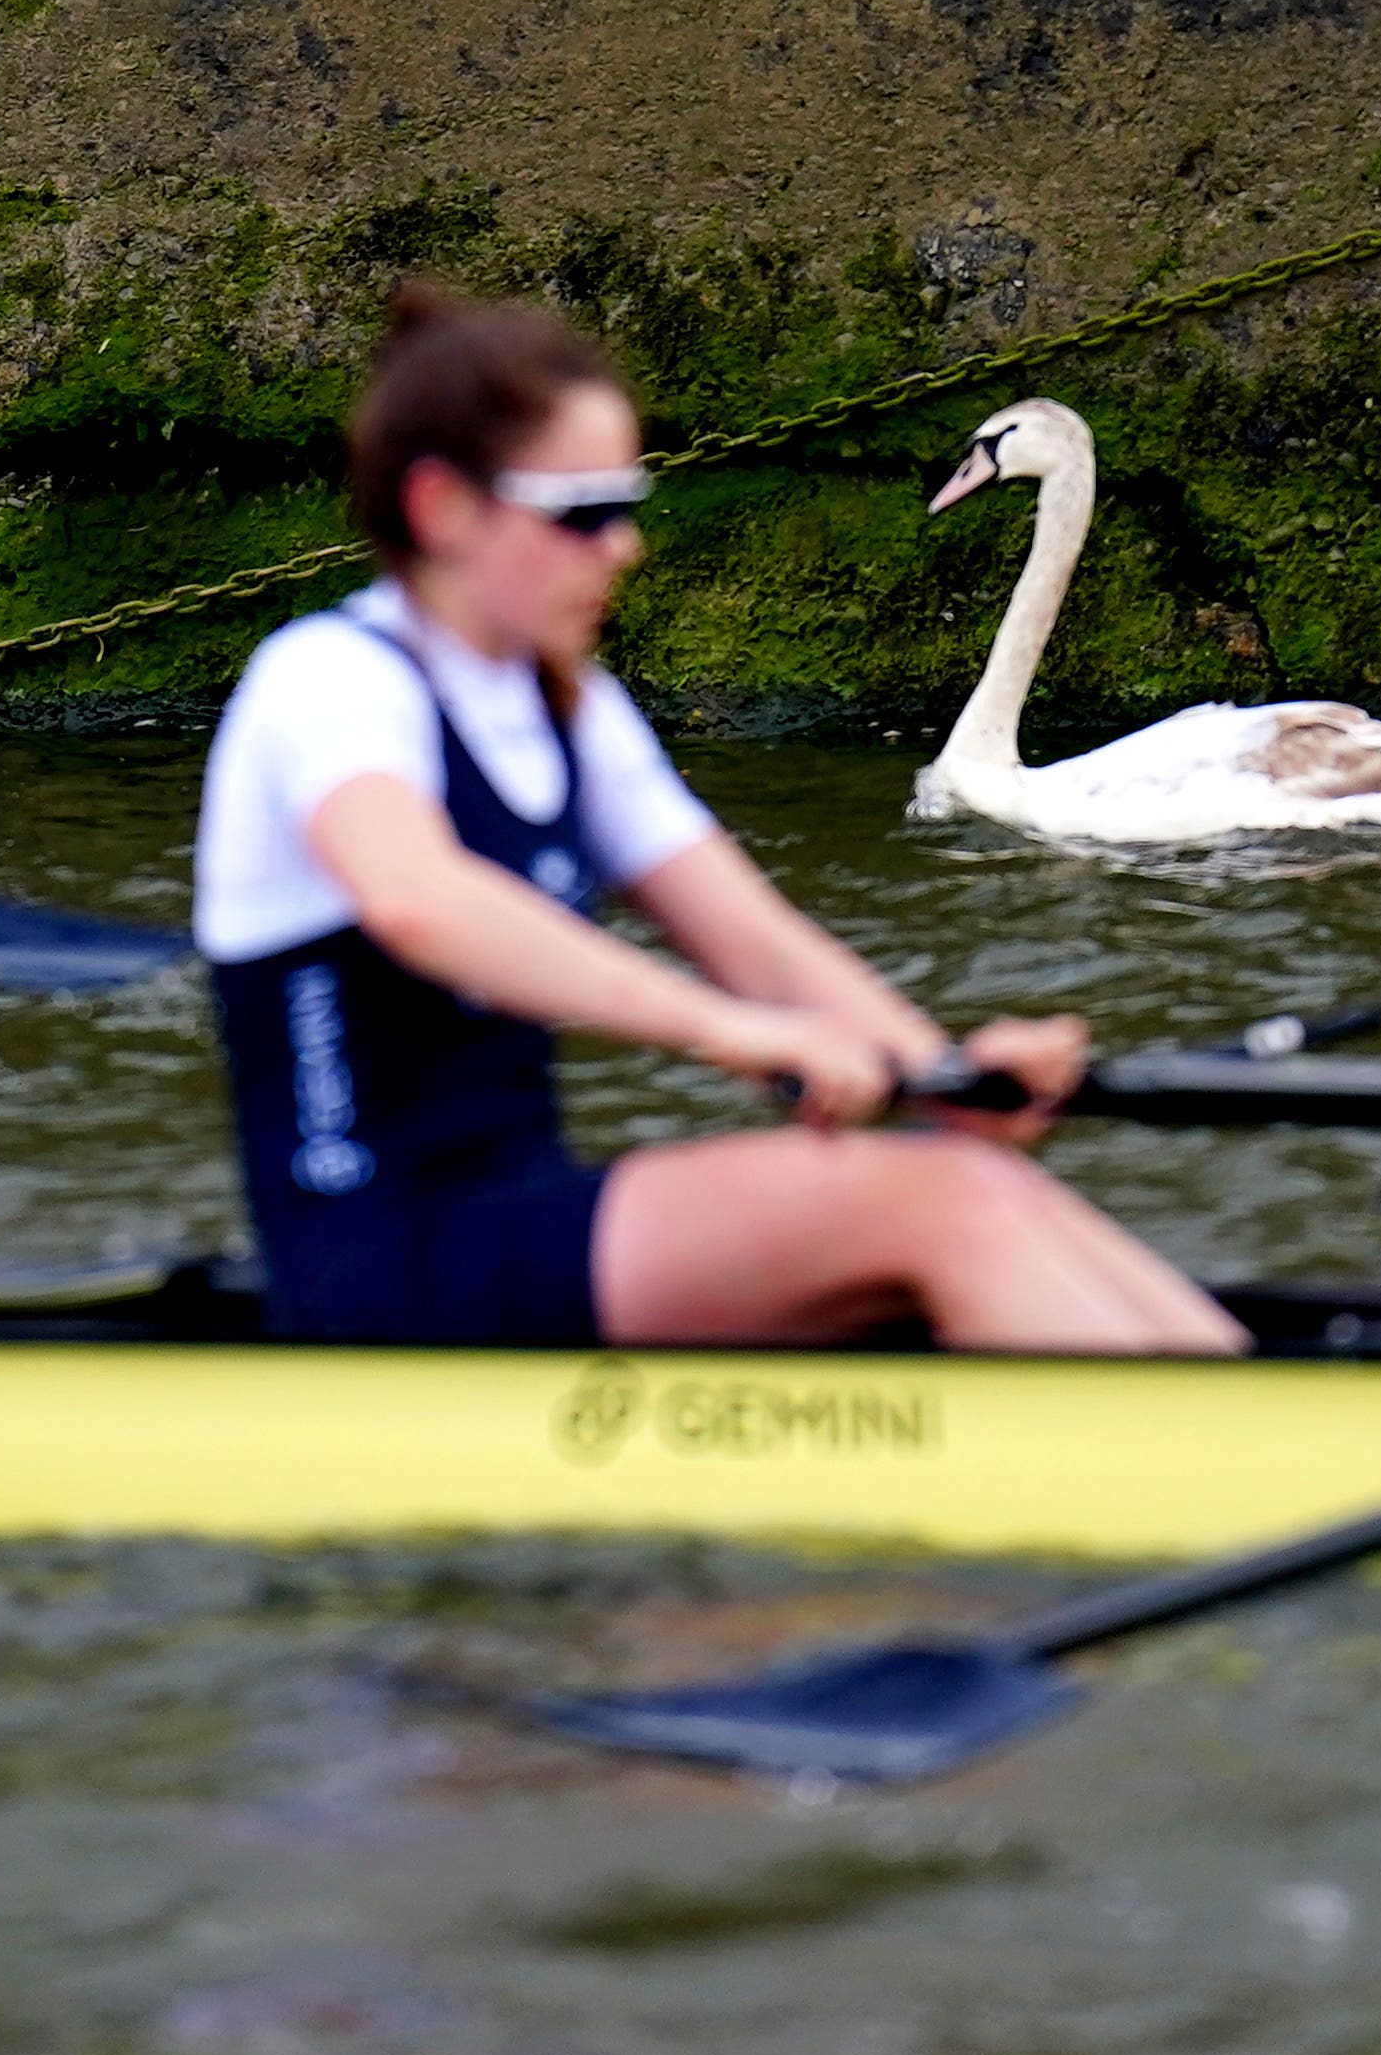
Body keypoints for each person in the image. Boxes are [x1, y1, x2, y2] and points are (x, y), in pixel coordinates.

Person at [194, 287, 1243, 1354]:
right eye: (584, 511)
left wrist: (948, 1075)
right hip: (373, 1260)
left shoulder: (569, 707)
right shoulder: (325, 680)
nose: (625, 546)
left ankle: (1242, 1419)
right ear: (443, 508)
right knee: (940, 1206)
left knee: (975, 1171)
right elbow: (419, 901)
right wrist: (724, 1029)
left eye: (626, 504)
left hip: (515, 1220)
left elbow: (754, 939)